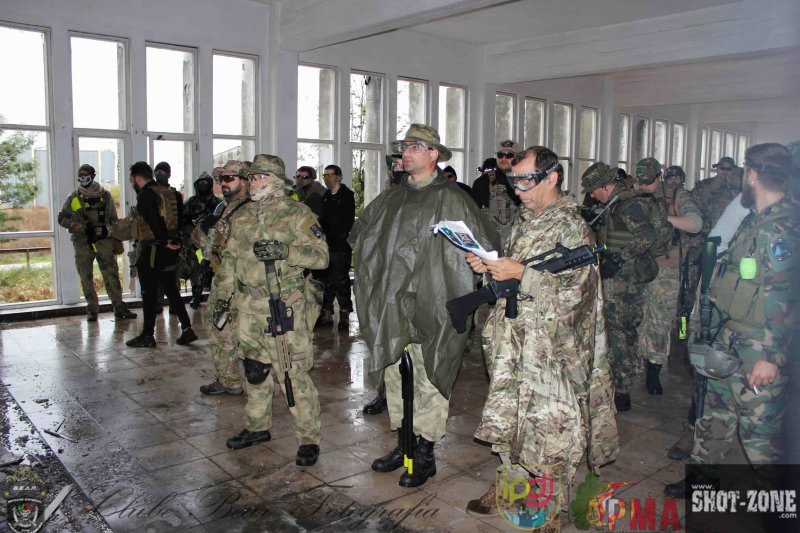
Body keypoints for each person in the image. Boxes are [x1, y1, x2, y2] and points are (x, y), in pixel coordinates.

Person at [465, 146, 618, 516]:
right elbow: (512, 273)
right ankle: (510, 485)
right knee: (511, 417)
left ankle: (550, 506)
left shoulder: (572, 227)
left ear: (551, 178)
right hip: (514, 340)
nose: (517, 190)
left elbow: (578, 296)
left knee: (552, 430)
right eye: (514, 181)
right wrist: (489, 268)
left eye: (525, 181)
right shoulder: (524, 220)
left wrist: (521, 274)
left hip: (552, 351)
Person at [349, 124, 500, 488]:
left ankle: (425, 452)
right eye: (404, 146)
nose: (406, 152)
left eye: (415, 146)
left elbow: (484, 247)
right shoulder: (390, 199)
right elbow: (362, 239)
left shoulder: (453, 198)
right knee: (394, 373)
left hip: (433, 302)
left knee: (429, 374)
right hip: (392, 303)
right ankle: (403, 444)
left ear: (434, 154)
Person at [665, 143, 799, 497]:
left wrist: (771, 357)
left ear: (752, 175)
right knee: (714, 414)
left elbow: (786, 297)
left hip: (759, 347)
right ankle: (701, 480)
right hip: (730, 337)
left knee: (760, 434)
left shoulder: (782, 227)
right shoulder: (756, 219)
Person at [213, 154, 328, 467]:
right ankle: (257, 427)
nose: (254, 182)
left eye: (261, 176)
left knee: (292, 373)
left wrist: (286, 251)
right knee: (254, 370)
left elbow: (322, 257)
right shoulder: (244, 215)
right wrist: (222, 297)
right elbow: (230, 260)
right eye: (252, 177)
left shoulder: (298, 214)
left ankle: (308, 438)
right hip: (247, 307)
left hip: (283, 307)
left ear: (277, 180)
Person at [581, 162, 659, 412]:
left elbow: (647, 236)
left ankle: (622, 390)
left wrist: (620, 257)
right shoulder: (613, 205)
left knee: (622, 334)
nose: (593, 195)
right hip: (615, 279)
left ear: (605, 186)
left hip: (626, 282)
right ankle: (616, 385)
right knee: (615, 333)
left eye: (594, 190)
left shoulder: (627, 205)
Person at [637, 163, 703, 394]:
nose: (644, 186)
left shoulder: (677, 195)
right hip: (638, 266)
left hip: (666, 269)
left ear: (659, 177)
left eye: (648, 181)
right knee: (639, 318)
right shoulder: (635, 193)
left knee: (660, 321)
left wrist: (663, 218)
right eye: (641, 181)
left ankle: (654, 369)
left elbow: (695, 223)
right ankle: (640, 361)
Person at [125, 161, 197, 348]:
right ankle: (187, 329)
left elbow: (154, 221)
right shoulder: (171, 193)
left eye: (131, 180)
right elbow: (178, 220)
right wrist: (171, 241)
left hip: (153, 248)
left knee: (148, 293)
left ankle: (147, 335)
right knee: (171, 289)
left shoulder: (145, 195)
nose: (131, 183)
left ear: (137, 178)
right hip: (170, 248)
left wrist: (163, 241)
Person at [194, 161, 250, 396]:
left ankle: (236, 380)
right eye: (221, 179)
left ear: (245, 180)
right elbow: (207, 245)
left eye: (229, 178)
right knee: (220, 328)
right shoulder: (225, 208)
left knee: (229, 331)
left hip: (238, 282)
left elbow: (240, 248)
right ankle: (229, 378)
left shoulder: (249, 210)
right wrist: (205, 230)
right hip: (222, 276)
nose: (223, 183)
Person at [57, 164, 136, 322]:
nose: (83, 177)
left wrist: (115, 236)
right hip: (82, 241)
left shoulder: (104, 196)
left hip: (103, 240)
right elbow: (61, 218)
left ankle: (119, 308)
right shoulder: (74, 197)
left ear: (93, 175)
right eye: (80, 175)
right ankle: (92, 309)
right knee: (85, 275)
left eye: (86, 174)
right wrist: (77, 226)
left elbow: (113, 220)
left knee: (111, 274)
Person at [316, 164, 356, 330]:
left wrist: (331, 232)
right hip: (326, 244)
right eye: (325, 175)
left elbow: (345, 221)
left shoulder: (347, 196)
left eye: (330, 175)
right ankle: (327, 313)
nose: (327, 178)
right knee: (326, 280)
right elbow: (322, 218)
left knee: (341, 280)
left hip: (340, 245)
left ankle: (345, 313)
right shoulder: (325, 196)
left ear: (339, 176)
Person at [180, 172, 219, 304]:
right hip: (194, 242)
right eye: (200, 183)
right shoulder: (191, 202)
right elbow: (182, 220)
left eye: (205, 183)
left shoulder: (217, 203)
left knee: (214, 269)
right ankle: (195, 294)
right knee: (195, 269)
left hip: (213, 242)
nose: (203, 186)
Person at [471, 140, 522, 238]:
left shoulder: (526, 181)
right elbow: (473, 215)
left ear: (518, 158)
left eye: (509, 155)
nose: (503, 158)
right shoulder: (482, 182)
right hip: (492, 238)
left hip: (520, 238)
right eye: (500, 155)